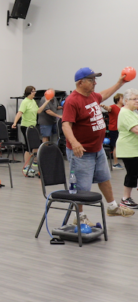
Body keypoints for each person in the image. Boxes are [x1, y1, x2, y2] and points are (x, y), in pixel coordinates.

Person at [62, 67, 134, 226]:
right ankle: (79, 218)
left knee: (104, 179)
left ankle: (113, 207)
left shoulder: (92, 96)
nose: (95, 83)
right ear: (81, 82)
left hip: (97, 148)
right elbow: (66, 125)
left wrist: (120, 83)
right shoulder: (72, 100)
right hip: (81, 152)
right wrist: (74, 143)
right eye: (91, 80)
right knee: (81, 187)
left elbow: (105, 94)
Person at [11, 86, 51, 175]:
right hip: (26, 127)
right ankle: (26, 167)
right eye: (33, 91)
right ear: (29, 92)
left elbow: (38, 111)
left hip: (32, 127)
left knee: (36, 145)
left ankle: (35, 162)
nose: (35, 92)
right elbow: (19, 113)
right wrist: (14, 123)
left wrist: (46, 102)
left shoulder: (33, 101)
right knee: (28, 147)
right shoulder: (25, 102)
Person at [115, 89, 138, 208]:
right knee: (132, 173)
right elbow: (136, 129)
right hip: (129, 149)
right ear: (126, 101)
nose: (137, 101)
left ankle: (126, 198)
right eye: (134, 99)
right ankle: (125, 198)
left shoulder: (133, 112)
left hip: (134, 148)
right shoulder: (125, 112)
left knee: (133, 173)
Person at [101, 93, 124, 170]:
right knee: (116, 146)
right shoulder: (113, 107)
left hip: (122, 129)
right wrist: (104, 106)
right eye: (122, 98)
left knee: (122, 145)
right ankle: (115, 163)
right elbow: (108, 108)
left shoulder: (124, 107)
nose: (123, 99)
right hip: (114, 129)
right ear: (118, 100)